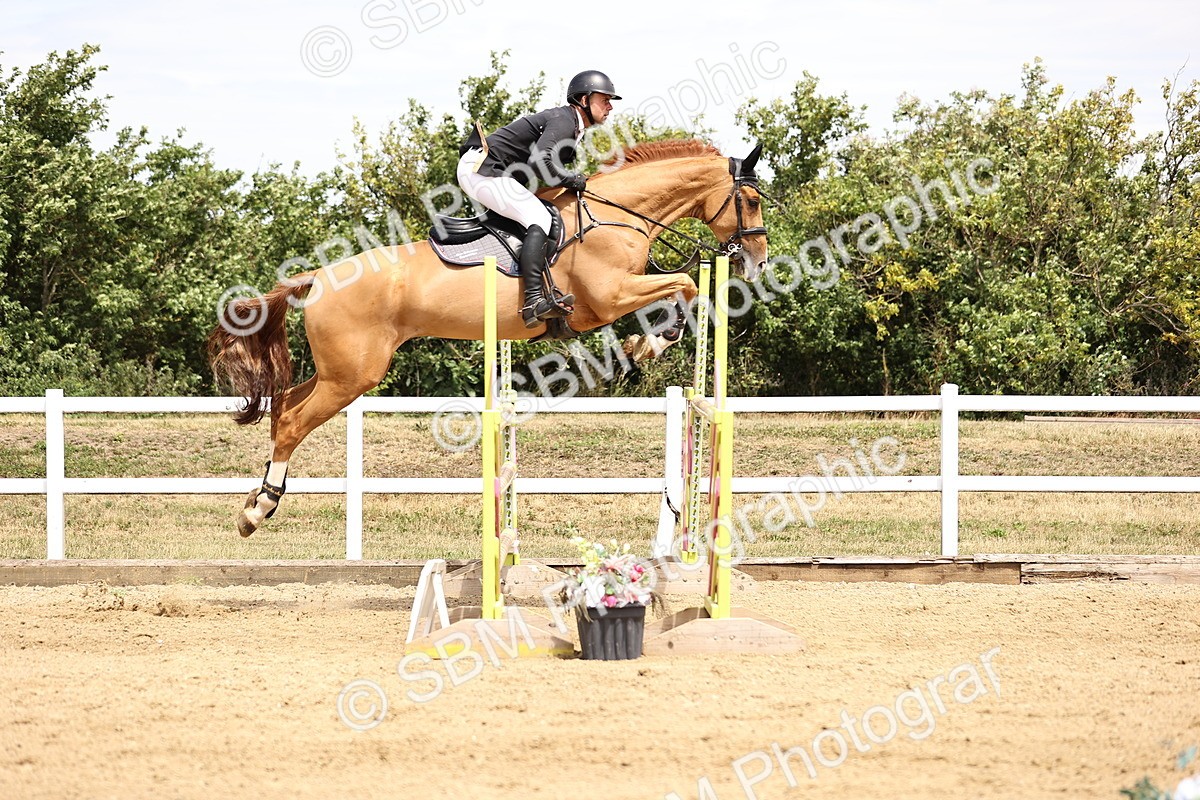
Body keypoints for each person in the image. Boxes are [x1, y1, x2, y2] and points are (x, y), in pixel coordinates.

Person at [457, 70, 620, 328]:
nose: (610, 106)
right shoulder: (565, 120)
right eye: (605, 99)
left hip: (493, 172)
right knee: (540, 217)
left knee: (539, 213)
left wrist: (570, 180)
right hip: (482, 169)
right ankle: (533, 301)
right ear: (584, 100)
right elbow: (541, 161)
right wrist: (570, 179)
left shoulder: (574, 127)